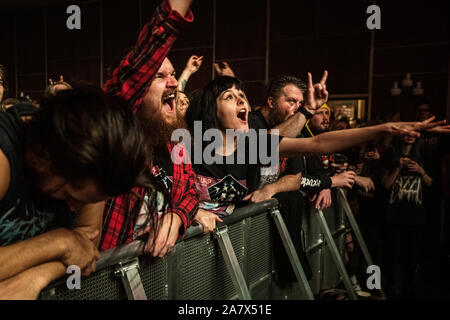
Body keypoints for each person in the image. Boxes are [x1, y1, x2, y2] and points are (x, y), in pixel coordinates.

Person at [185, 75, 450, 232]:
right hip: (184, 244)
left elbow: (319, 144)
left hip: (227, 241)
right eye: (229, 97)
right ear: (212, 109)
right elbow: (160, 189)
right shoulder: (191, 144)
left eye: (242, 95)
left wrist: (384, 129)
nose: (242, 100)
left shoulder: (252, 143)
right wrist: (191, 211)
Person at [0, 86, 160, 299]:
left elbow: (85, 249)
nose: (75, 208)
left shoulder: (96, 164)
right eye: (69, 195)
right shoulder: (3, 156)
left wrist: (37, 276)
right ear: (44, 157)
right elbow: (74, 244)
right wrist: (60, 242)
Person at [100, 0, 199, 257]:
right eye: (159, 76)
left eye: (174, 74)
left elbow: (191, 189)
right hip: (103, 280)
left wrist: (176, 217)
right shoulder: (114, 133)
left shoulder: (175, 141)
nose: (174, 83)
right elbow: (141, 62)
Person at [381, 134, 433, 298]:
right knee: (393, 254)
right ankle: (393, 287)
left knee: (413, 255)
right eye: (406, 133)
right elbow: (385, 184)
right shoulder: (390, 155)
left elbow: (430, 182)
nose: (410, 136)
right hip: (394, 214)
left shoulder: (424, 154)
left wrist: (421, 170)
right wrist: (397, 167)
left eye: (413, 133)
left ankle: (411, 289)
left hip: (415, 215)